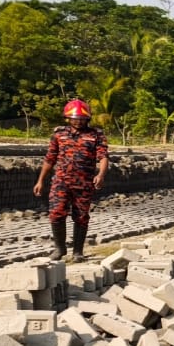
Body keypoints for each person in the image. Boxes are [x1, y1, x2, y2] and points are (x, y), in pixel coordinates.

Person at [33, 99, 109, 263]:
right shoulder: (59, 134)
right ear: (68, 118)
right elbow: (49, 158)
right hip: (61, 182)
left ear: (87, 118)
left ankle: (78, 251)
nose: (79, 121)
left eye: (82, 119)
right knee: (56, 214)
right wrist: (40, 181)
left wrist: (101, 174)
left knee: (81, 216)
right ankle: (59, 248)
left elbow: (103, 157)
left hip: (84, 183)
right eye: (75, 118)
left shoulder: (96, 135)